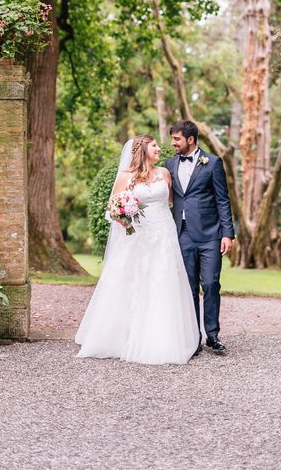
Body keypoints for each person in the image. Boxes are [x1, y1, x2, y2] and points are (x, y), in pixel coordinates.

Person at [75, 134, 200, 364]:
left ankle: (163, 338)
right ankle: (123, 336)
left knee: (163, 279)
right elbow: (113, 207)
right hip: (138, 235)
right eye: (154, 146)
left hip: (163, 232)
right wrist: (122, 218)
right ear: (143, 150)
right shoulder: (126, 177)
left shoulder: (164, 173)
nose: (159, 149)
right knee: (134, 280)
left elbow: (172, 201)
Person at [165, 120, 235, 355]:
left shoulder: (212, 163)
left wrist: (227, 234)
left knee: (211, 283)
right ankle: (192, 337)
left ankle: (212, 335)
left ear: (190, 139)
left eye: (177, 139)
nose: (173, 143)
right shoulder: (169, 165)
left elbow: (223, 200)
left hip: (210, 235)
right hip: (182, 234)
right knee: (189, 287)